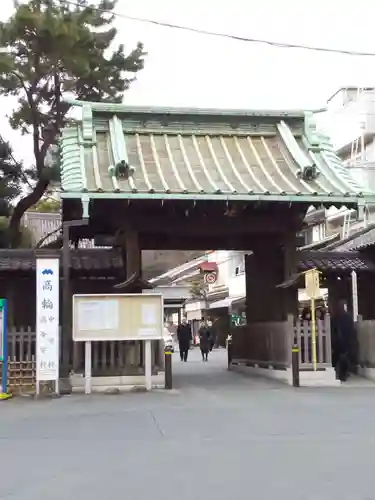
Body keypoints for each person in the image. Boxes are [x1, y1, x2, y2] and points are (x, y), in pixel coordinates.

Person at [330, 300, 357, 381]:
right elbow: (351, 330)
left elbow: (333, 328)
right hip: (345, 341)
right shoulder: (347, 317)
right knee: (344, 358)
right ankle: (342, 374)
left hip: (338, 341)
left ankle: (338, 373)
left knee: (337, 358)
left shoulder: (335, 317)